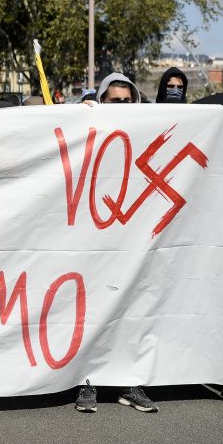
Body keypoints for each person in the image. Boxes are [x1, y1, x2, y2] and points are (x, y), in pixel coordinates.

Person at [75, 72, 158, 414]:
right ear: (101, 101)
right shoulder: (86, 124)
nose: (122, 107)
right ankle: (87, 381)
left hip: (134, 237)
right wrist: (80, 111)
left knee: (131, 308)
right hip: (93, 236)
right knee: (91, 307)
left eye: (127, 101)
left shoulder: (149, 127)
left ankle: (128, 382)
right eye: (114, 101)